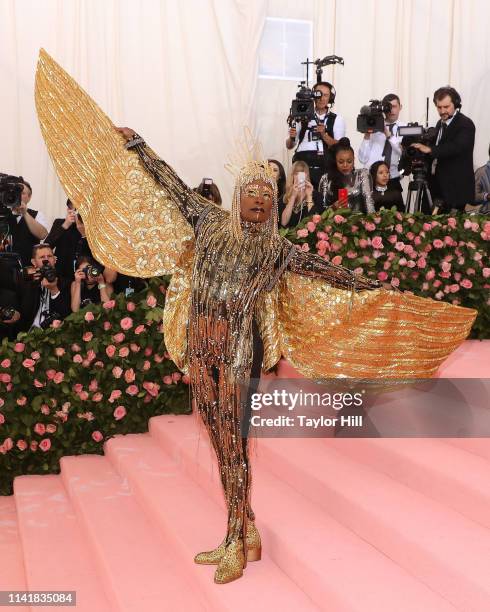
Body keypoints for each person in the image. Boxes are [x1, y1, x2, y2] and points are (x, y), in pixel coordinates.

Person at [35, 49, 477, 587]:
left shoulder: (277, 249)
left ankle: (234, 537)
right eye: (255, 198)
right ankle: (243, 528)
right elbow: (171, 187)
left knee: (234, 442)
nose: (263, 205)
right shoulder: (210, 224)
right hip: (202, 340)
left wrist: (371, 285)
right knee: (220, 440)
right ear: (240, 197)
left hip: (239, 345)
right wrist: (140, 146)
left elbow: (325, 270)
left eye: (269, 200)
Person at [411, 86, 475, 213]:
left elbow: (457, 147)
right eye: (439, 107)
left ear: (455, 104)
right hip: (438, 188)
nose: (442, 111)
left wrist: (430, 149)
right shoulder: (440, 124)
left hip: (456, 189)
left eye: (446, 107)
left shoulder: (465, 124)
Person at [286, 81, 346, 189]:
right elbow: (290, 145)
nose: (322, 98)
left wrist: (324, 135)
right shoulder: (300, 114)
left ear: (330, 98)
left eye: (326, 95)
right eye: (319, 94)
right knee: (301, 198)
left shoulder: (337, 119)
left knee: (323, 200)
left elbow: (340, 147)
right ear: (313, 95)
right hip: (302, 166)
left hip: (325, 168)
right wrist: (291, 137)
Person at [18, 244, 71, 331]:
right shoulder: (26, 283)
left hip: (55, 334)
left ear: (54, 260)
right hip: (28, 334)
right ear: (34, 262)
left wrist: (54, 290)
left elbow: (66, 315)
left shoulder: (65, 283)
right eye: (42, 257)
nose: (46, 260)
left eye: (49, 256)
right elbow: (24, 314)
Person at [358, 94, 405, 192]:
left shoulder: (405, 128)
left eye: (394, 106)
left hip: (393, 177)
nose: (391, 110)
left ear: (400, 107)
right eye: (389, 107)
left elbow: (403, 153)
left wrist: (388, 134)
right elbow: (362, 159)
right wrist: (367, 135)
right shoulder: (373, 125)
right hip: (371, 179)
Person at [319, 138, 375, 213]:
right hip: (334, 223)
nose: (345, 165)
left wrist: (373, 222)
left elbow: (369, 203)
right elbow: (320, 211)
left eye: (349, 161)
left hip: (360, 221)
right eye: (341, 162)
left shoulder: (362, 174)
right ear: (335, 161)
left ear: (354, 160)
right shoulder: (326, 178)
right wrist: (333, 207)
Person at [8, 181, 49, 267]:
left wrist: (25, 213)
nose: (18, 196)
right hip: (4, 266)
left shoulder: (37, 215)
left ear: (29, 197)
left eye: (22, 193)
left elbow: (42, 235)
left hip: (29, 266)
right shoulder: (3, 215)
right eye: (16, 192)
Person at [45, 199, 83, 280]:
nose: (74, 213)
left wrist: (82, 231)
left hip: (80, 271)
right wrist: (65, 225)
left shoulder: (86, 226)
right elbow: (47, 246)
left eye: (77, 210)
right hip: (60, 271)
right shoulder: (59, 222)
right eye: (71, 209)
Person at [280, 161, 323, 228]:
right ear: (292, 176)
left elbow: (314, 220)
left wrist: (309, 196)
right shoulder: (285, 197)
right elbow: (283, 222)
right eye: (296, 173)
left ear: (307, 175)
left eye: (302, 173)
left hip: (308, 236)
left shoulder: (317, 196)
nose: (299, 177)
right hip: (287, 235)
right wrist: (293, 196)